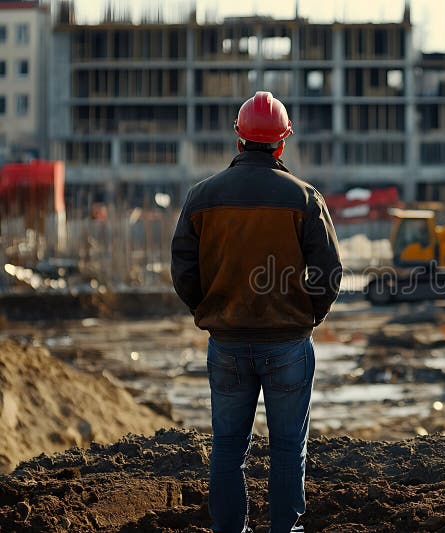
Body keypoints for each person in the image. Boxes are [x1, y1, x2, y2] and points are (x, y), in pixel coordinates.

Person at [171, 91, 341, 533]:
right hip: (287, 343)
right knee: (288, 448)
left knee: (228, 448)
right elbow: (329, 272)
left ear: (239, 139)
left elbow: (184, 271)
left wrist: (210, 311)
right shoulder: (304, 198)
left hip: (226, 342)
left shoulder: (201, 198)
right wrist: (305, 318)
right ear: (282, 144)